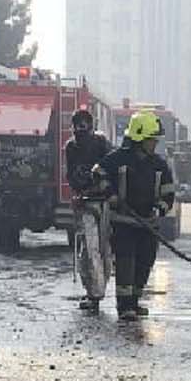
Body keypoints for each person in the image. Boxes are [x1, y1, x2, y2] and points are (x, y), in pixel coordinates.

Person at [90, 110, 176, 322]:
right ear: (139, 138)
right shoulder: (118, 159)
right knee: (126, 262)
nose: (154, 143)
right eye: (151, 139)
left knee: (145, 262)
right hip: (123, 222)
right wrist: (110, 194)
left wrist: (160, 209)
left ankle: (134, 302)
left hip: (148, 224)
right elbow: (98, 172)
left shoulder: (159, 165)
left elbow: (168, 193)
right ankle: (124, 306)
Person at [64, 110, 112, 308]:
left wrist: (105, 186)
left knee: (102, 249)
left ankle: (97, 291)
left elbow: (113, 169)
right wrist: (78, 193)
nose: (80, 133)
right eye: (78, 129)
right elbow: (71, 175)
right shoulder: (71, 147)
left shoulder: (101, 144)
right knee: (90, 249)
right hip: (85, 204)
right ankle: (94, 293)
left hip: (103, 203)